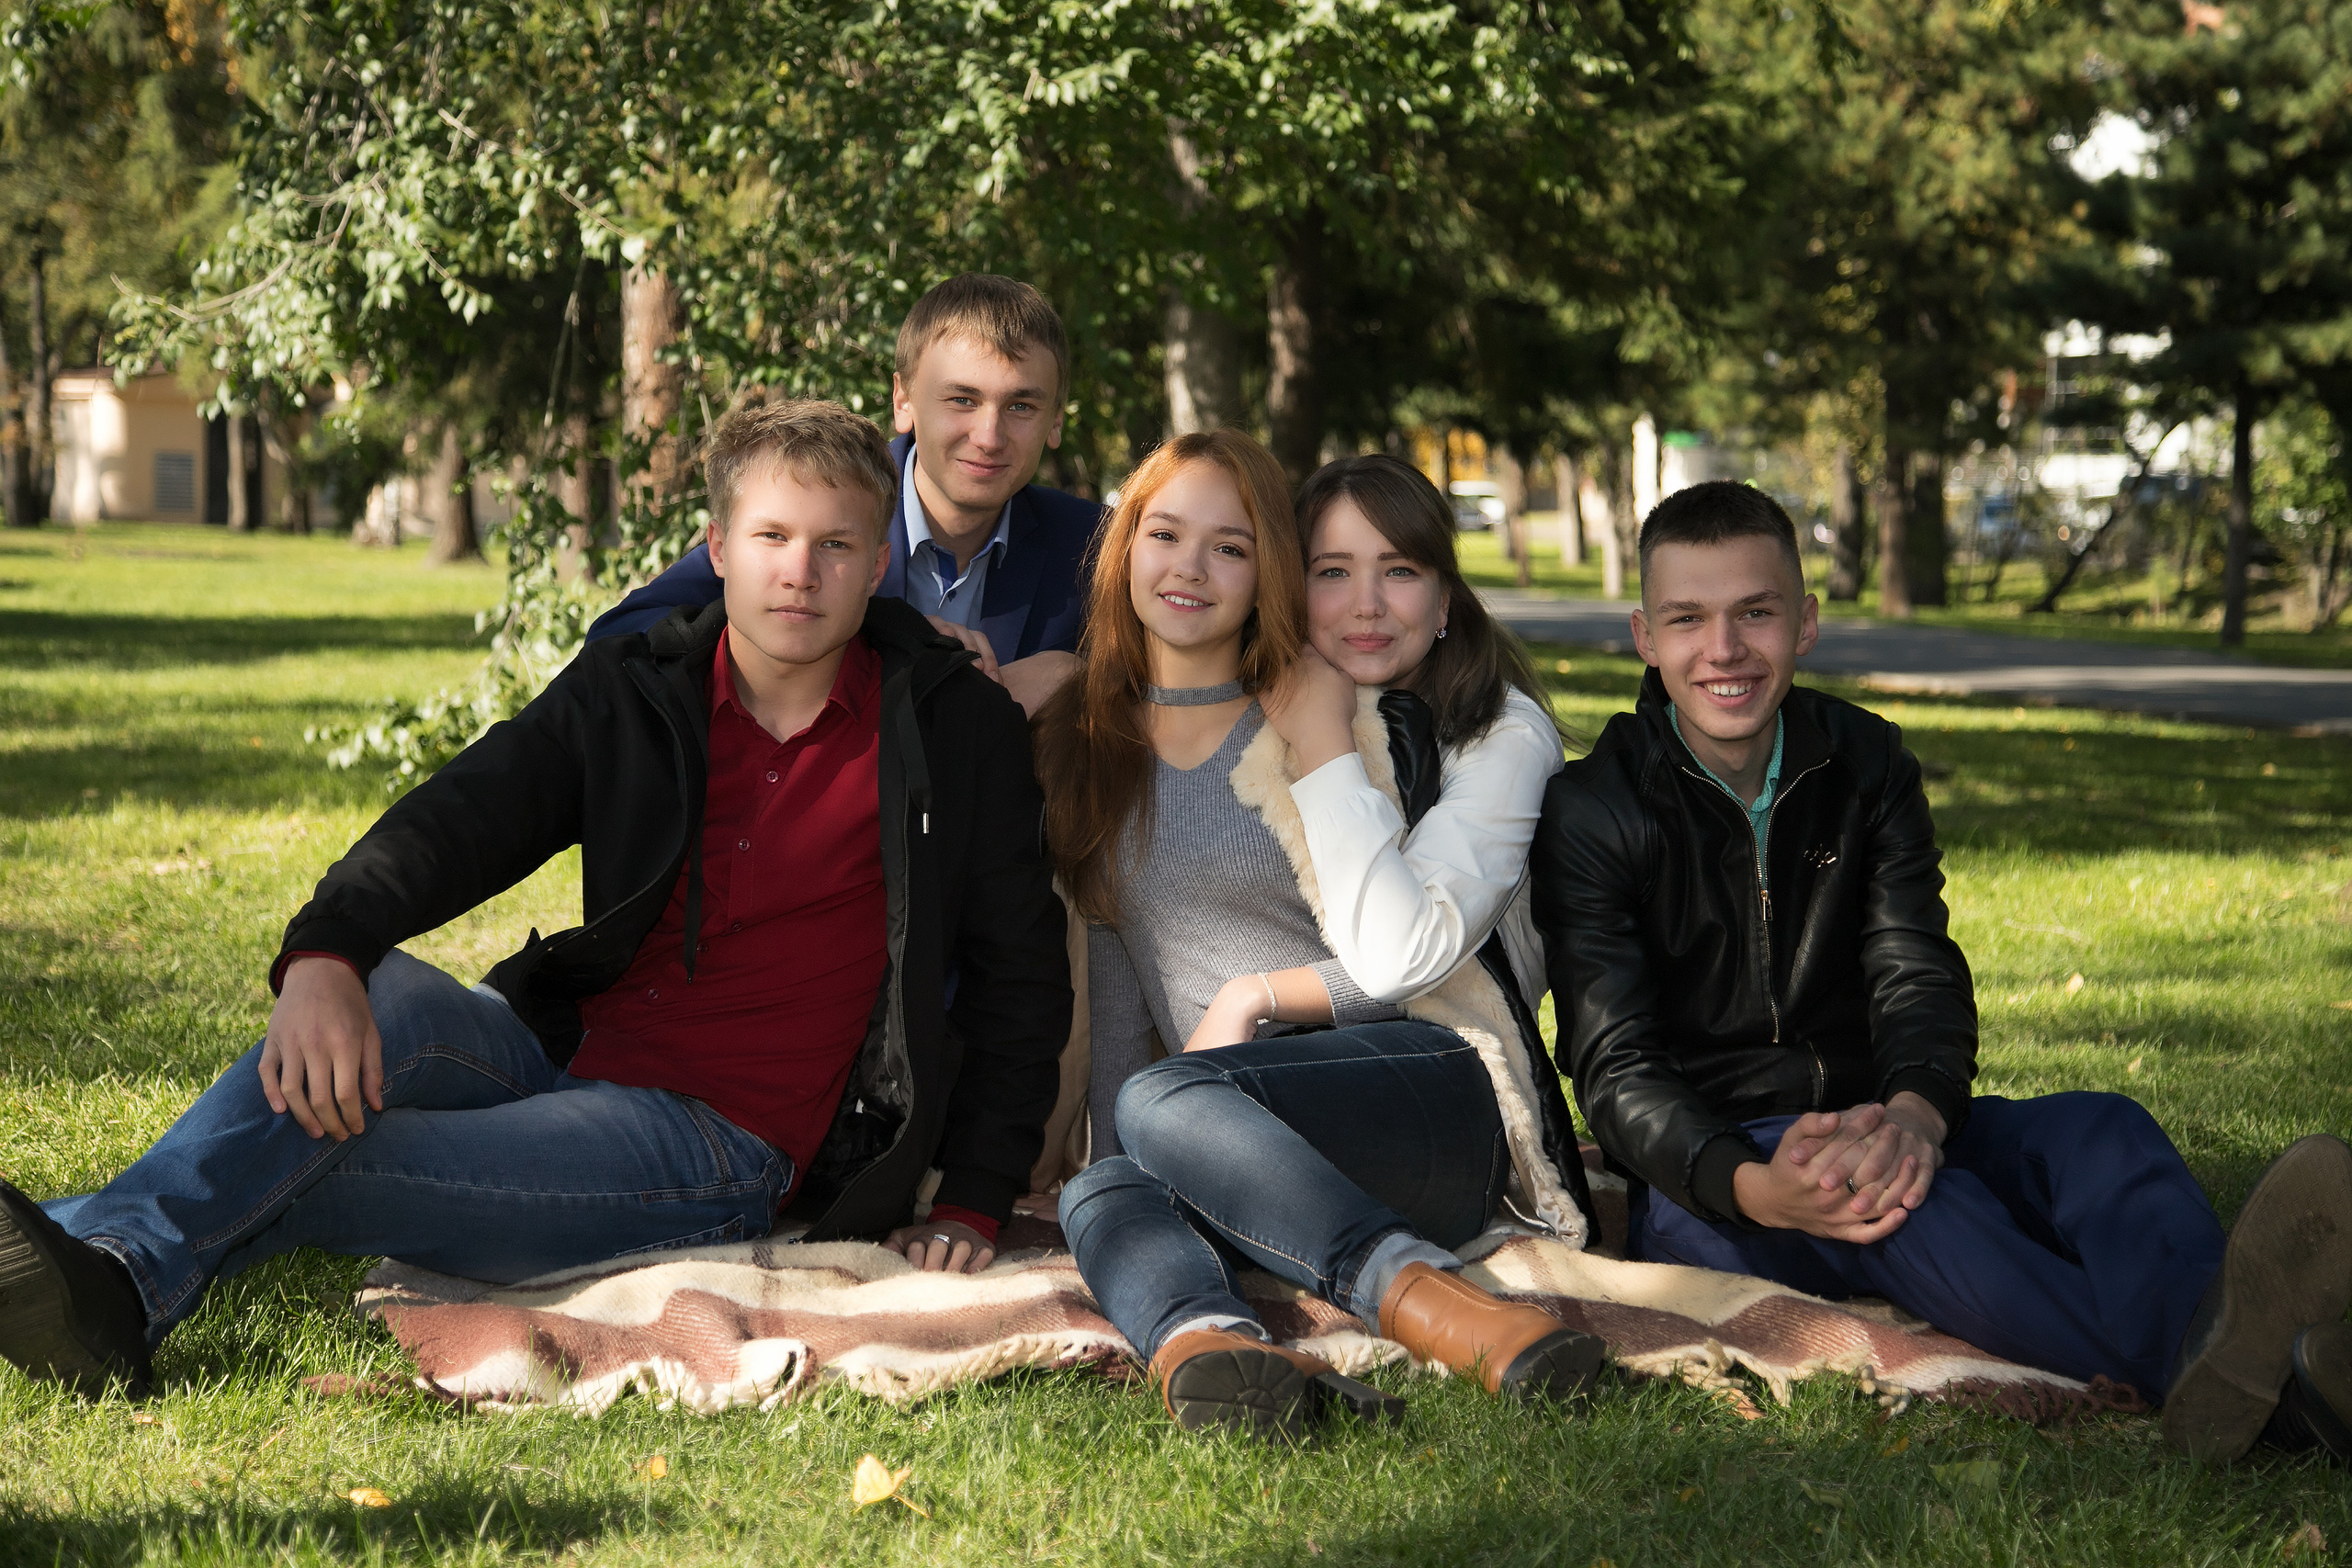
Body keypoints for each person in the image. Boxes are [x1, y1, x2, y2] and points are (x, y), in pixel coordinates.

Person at [0, 398, 1071, 1399]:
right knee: (383, 995)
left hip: (717, 1144)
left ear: (878, 565)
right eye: (772, 537)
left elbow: (1017, 970)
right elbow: (466, 813)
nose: (801, 572)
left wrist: (976, 1192)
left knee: (336, 1139)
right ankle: (97, 1275)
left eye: (835, 546)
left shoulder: (950, 728)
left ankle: (98, 1276)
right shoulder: (637, 689)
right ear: (716, 548)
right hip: (561, 1049)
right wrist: (325, 952)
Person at [1532, 479, 2352, 1465]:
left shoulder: (1865, 763)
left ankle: (2228, 1349)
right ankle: (2257, 1392)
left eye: (1755, 611)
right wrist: (1752, 1186)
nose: (1724, 648)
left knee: (2101, 1130)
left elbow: (1914, 969)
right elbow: (1612, 1061)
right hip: (1714, 1175)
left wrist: (1918, 1116)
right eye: (1686, 618)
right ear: (1643, 637)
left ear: (1806, 621)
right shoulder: (1595, 808)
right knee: (1910, 1207)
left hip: (1879, 1113)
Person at [1037, 437, 1602, 1442]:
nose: (1191, 567)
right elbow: (1122, 983)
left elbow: (1421, 968)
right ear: (1123, 550)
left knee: (1162, 1100)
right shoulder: (1093, 747)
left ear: (1266, 574)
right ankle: (1213, 1349)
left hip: (1419, 1091)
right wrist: (1132, 1171)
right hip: (1234, 1130)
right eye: (1165, 535)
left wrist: (1251, 1000)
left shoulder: (1357, 723)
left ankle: (1445, 1310)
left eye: (1230, 547)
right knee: (1102, 1176)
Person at [589, 273, 1102, 717]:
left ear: (1056, 420)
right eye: (962, 399)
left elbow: (1146, 682)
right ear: (903, 400)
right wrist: (888, 637)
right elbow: (619, 637)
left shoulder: (1095, 545)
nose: (989, 437)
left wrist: (1079, 678)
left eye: (1020, 406)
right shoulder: (822, 503)